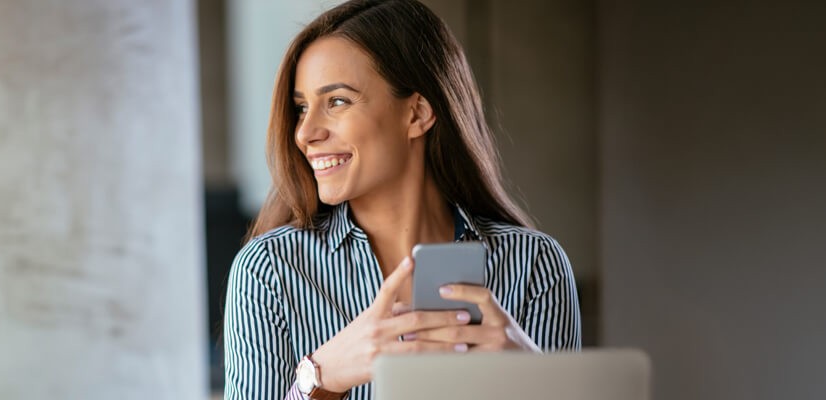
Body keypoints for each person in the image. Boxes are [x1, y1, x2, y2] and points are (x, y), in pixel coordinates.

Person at [223, 1, 581, 399]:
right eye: (301, 108)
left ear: (417, 114)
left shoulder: (533, 265)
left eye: (337, 101)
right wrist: (321, 377)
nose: (305, 133)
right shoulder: (270, 271)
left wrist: (531, 374)